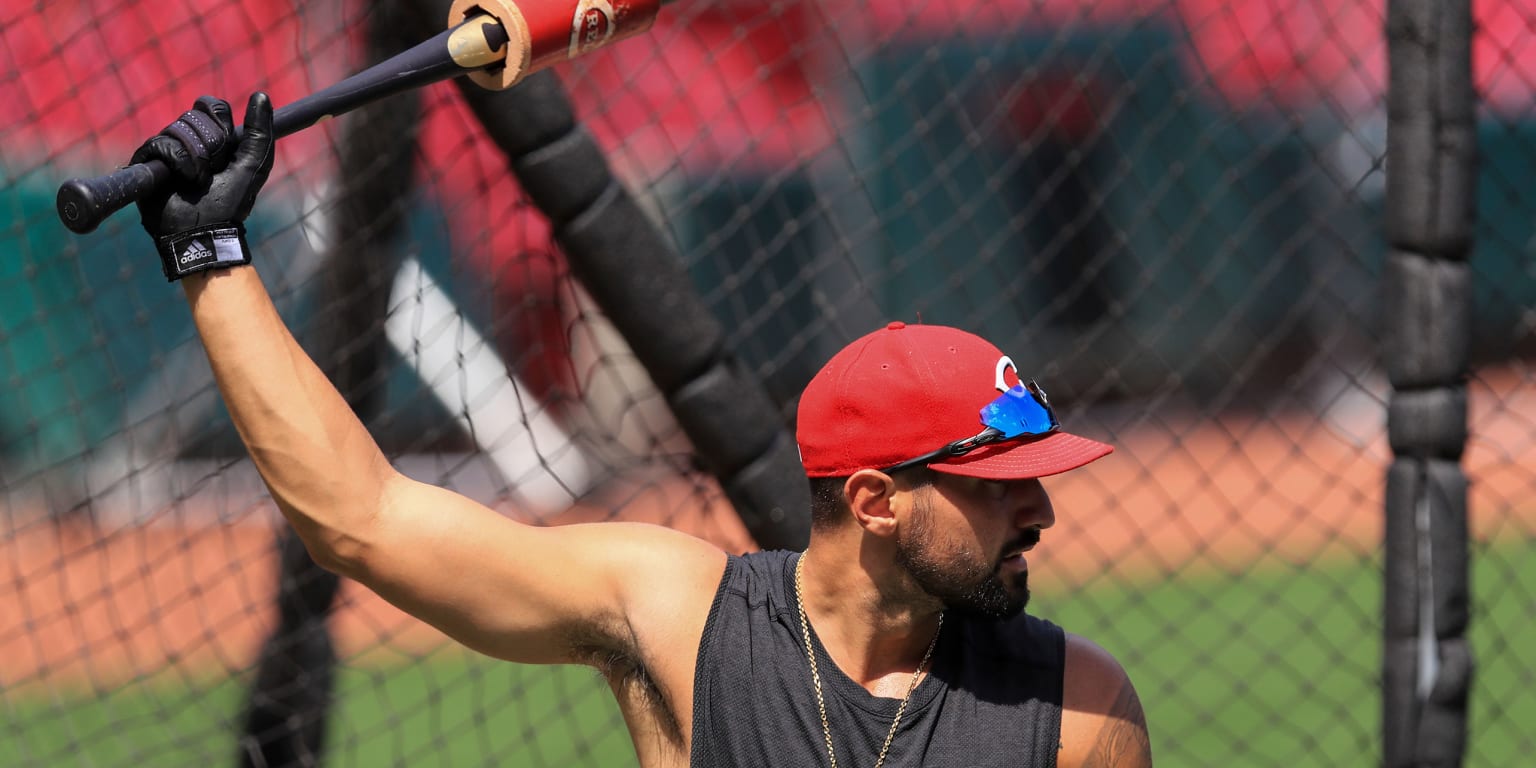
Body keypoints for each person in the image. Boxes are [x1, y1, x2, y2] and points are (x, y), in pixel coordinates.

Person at [131, 94, 1152, 767]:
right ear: (876, 501)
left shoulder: (1081, 712)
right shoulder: (675, 614)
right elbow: (367, 519)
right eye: (997, 483)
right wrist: (210, 255)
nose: (1041, 509)